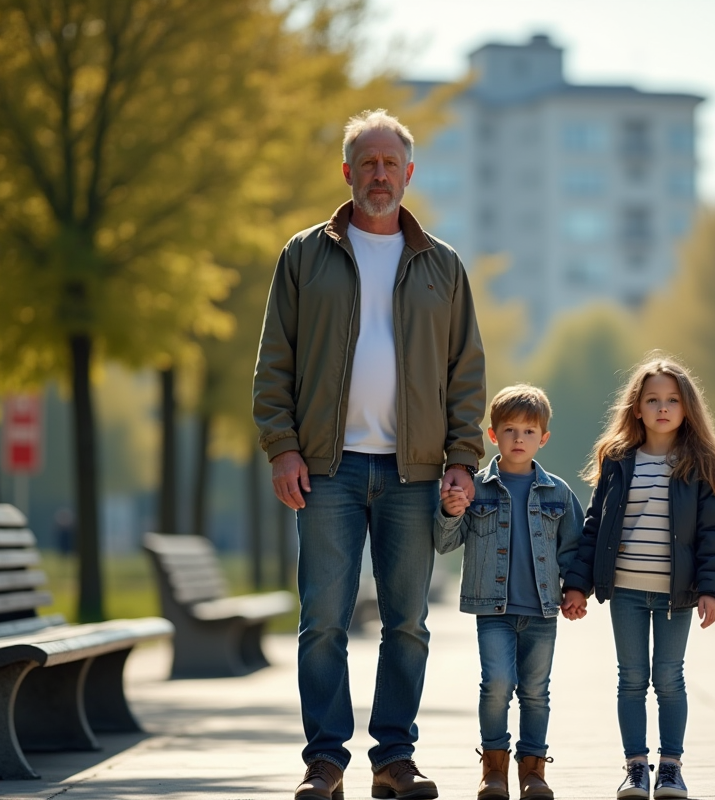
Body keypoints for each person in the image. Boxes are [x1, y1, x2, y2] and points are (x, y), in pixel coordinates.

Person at [253, 109, 486, 800]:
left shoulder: (442, 265)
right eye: (368, 162)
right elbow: (274, 363)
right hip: (327, 469)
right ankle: (324, 762)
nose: (379, 174)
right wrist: (282, 447)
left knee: (407, 622)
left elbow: (465, 371)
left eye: (391, 163)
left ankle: (393, 760)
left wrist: (462, 458)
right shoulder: (303, 255)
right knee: (322, 619)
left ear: (408, 174)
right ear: (347, 171)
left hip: (415, 472)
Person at [561, 353, 715, 800]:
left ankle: (671, 769)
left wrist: (711, 589)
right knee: (632, 679)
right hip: (626, 592)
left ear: (687, 408)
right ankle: (636, 768)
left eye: (672, 400)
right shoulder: (619, 461)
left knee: (669, 679)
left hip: (678, 594)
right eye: (653, 399)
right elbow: (594, 525)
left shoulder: (702, 466)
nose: (663, 408)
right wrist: (578, 584)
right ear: (636, 408)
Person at [433, 385, 584, 800]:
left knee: (536, 691)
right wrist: (449, 511)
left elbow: (573, 549)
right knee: (497, 683)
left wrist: (575, 590)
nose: (520, 439)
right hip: (493, 610)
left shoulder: (558, 493)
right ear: (492, 435)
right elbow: (446, 543)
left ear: (543, 438)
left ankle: (533, 770)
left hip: (541, 612)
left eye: (529, 432)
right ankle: (494, 769)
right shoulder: (475, 489)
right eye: (511, 430)